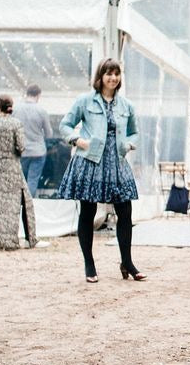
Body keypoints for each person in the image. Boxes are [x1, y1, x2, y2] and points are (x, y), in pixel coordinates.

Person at [59, 58, 143, 284]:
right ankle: (89, 263)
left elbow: (134, 133)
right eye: (109, 74)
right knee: (88, 213)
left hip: (117, 164)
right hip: (91, 163)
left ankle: (127, 262)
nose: (113, 78)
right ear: (100, 76)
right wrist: (78, 140)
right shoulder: (84, 101)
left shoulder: (126, 105)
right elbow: (65, 125)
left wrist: (129, 144)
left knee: (125, 213)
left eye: (116, 74)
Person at [0, 94, 38, 250]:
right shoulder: (16, 124)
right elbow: (21, 147)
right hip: (11, 169)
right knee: (10, 207)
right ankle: (9, 241)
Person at [14, 84, 53, 198]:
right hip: (38, 151)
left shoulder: (16, 109)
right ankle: (29, 205)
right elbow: (49, 134)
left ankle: (17, 203)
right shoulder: (42, 111)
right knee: (33, 179)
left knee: (20, 178)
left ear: (27, 93)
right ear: (38, 95)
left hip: (21, 150)